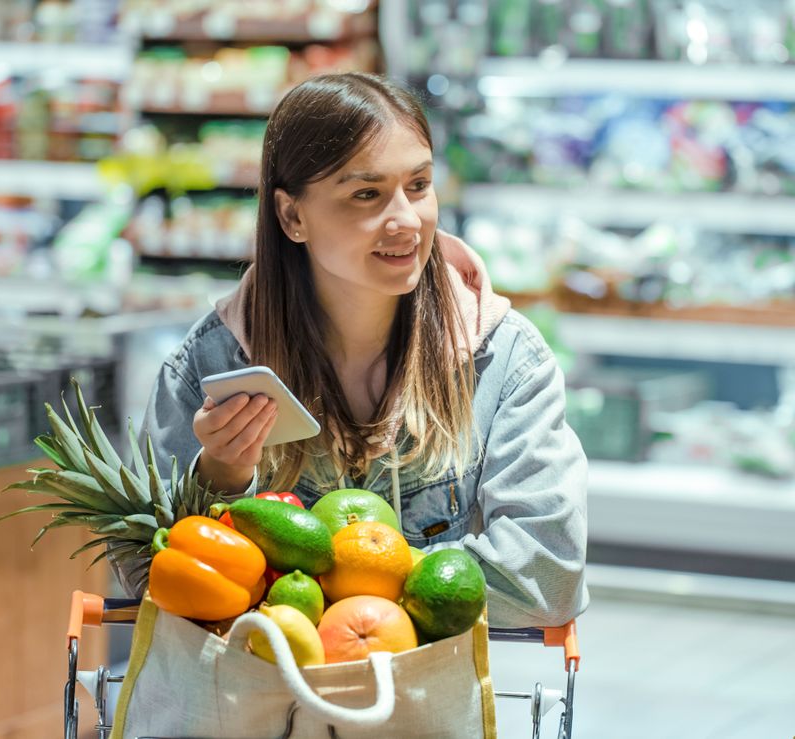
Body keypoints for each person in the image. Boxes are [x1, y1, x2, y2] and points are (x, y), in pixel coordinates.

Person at [129, 72, 588, 628]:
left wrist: (338, 591)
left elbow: (547, 575)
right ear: (292, 216)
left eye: (418, 186)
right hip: (254, 702)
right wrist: (221, 477)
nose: (405, 220)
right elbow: (141, 569)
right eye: (366, 194)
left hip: (420, 712)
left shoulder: (506, 361)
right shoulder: (215, 362)